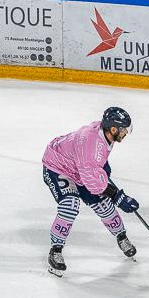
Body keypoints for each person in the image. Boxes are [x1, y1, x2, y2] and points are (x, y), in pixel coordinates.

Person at [42, 107, 139, 276]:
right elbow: (92, 181)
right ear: (113, 129)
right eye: (124, 129)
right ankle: (55, 250)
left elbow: (93, 162)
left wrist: (102, 167)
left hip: (78, 167)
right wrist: (118, 196)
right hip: (58, 167)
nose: (125, 133)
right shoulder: (91, 143)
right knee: (70, 205)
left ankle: (121, 236)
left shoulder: (104, 133)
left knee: (103, 205)